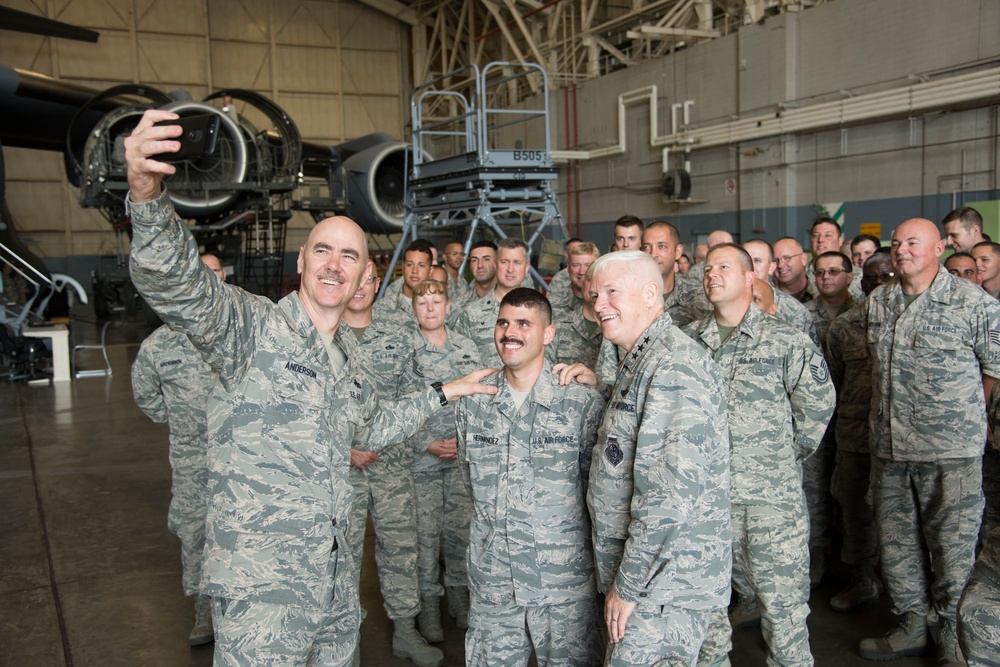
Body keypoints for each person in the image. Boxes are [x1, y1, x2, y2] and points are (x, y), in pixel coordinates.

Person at [123, 109, 495, 666]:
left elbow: (374, 422)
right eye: (323, 249)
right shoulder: (251, 329)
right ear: (301, 261)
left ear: (364, 274)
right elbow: (176, 283)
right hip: (263, 594)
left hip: (332, 586)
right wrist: (147, 195)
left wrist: (447, 390)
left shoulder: (343, 359)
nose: (334, 264)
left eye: (350, 255)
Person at [563, 251, 732, 667]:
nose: (598, 303)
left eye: (612, 292)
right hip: (655, 580)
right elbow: (641, 433)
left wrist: (630, 586)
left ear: (651, 293)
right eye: (595, 293)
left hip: (661, 587)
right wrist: (604, 390)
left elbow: (669, 497)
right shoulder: (642, 360)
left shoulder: (673, 365)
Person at [859, 218, 1000, 667]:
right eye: (897, 243)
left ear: (939, 247)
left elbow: (994, 368)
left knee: (953, 549)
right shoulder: (878, 302)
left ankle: (954, 637)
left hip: (950, 451)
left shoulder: (971, 302)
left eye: (912, 242)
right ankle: (912, 623)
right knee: (897, 545)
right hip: (889, 449)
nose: (901, 250)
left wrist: (967, 417)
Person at [686, 244, 834, 667]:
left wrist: (778, 459)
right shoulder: (689, 343)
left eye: (724, 267)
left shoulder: (785, 339)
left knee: (784, 611)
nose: (713, 274)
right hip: (707, 501)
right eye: (708, 268)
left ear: (751, 277)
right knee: (708, 613)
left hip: (771, 502)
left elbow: (818, 405)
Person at [456, 288, 605, 666]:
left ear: (548, 333)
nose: (511, 332)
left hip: (563, 583)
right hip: (495, 583)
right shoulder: (474, 402)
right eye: (504, 322)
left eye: (524, 323)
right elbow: (469, 480)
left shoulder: (579, 401)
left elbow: (598, 492)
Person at [342, 263, 444, 667]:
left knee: (400, 548)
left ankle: (405, 631)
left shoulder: (398, 338)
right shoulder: (319, 338)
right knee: (340, 555)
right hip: (342, 468)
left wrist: (384, 439)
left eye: (369, 280)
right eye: (355, 280)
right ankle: (343, 639)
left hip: (391, 463)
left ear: (377, 284)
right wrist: (345, 448)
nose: (361, 288)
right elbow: (309, 408)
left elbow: (413, 400)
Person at [130, 253, 226, 647]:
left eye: (218, 274)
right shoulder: (159, 345)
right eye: (206, 274)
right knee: (196, 535)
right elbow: (145, 395)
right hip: (190, 462)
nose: (212, 280)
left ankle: (238, 611)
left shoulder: (235, 334)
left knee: (241, 534)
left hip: (240, 457)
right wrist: (181, 422)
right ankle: (204, 614)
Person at [400, 279, 483, 642]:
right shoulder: (406, 351)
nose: (430, 308)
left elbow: (478, 399)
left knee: (460, 535)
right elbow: (397, 407)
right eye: (423, 303)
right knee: (426, 539)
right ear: (413, 308)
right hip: (423, 461)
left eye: (437, 301)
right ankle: (430, 609)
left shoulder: (466, 347)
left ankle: (459, 601)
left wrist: (461, 443)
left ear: (449, 306)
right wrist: (428, 443)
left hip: (459, 457)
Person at [824, 252, 896, 613]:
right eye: (873, 277)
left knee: (897, 516)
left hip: (900, 437)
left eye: (888, 276)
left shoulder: (904, 321)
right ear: (861, 282)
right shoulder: (844, 327)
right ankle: (862, 579)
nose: (880, 283)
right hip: (854, 437)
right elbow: (833, 383)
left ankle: (903, 592)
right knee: (854, 511)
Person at [455, 238, 533, 365]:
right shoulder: (471, 314)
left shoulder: (538, 312)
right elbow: (460, 362)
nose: (510, 269)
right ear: (496, 265)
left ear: (526, 268)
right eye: (504, 262)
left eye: (517, 262)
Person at [743, 239, 819, 346]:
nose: (750, 266)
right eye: (746, 261)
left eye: (757, 261)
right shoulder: (725, 303)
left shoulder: (795, 311)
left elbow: (810, 357)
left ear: (771, 267)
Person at [371, 239, 434, 330]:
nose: (415, 271)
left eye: (421, 265)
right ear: (403, 268)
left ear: (430, 270)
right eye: (410, 265)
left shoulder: (438, 308)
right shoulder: (382, 308)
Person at [545, 237, 583, 311]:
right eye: (574, 251)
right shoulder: (559, 279)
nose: (581, 272)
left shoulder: (594, 274)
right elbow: (551, 306)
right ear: (566, 254)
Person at [773, 237, 814, 303]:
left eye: (786, 258)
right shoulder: (767, 296)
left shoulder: (821, 292)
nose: (780, 265)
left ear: (803, 259)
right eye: (775, 260)